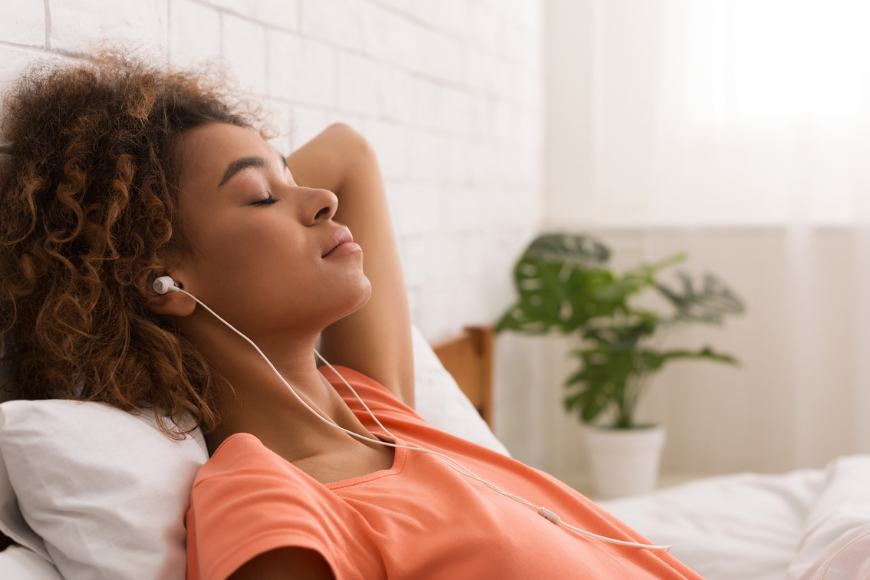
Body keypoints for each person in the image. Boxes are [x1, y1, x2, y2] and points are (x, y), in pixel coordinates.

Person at [0, 51, 703, 580]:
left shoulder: (370, 405)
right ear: (162, 279)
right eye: (259, 196)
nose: (319, 199)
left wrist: (252, 190)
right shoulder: (268, 506)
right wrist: (124, 248)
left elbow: (348, 154)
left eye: (290, 177)